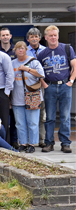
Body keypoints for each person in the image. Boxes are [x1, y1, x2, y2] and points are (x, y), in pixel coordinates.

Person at [38, 25, 76, 153]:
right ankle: (49, 143)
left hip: (65, 86)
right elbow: (38, 72)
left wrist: (71, 81)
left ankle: (65, 143)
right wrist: (44, 84)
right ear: (46, 37)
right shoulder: (42, 54)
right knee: (50, 117)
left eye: (55, 35)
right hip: (50, 87)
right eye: (50, 36)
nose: (53, 37)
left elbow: (74, 66)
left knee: (65, 116)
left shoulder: (67, 48)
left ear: (58, 36)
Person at [11, 42, 45, 153]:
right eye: (18, 48)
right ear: (15, 51)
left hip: (32, 96)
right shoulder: (12, 63)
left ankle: (32, 144)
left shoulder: (34, 61)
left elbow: (41, 74)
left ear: (26, 50)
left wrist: (27, 69)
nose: (20, 50)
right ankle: (23, 143)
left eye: (22, 48)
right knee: (20, 123)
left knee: (33, 122)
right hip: (17, 97)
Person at [26, 27, 47, 147]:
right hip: (29, 87)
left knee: (42, 112)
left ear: (39, 38)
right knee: (30, 113)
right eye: (31, 37)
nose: (34, 39)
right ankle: (31, 139)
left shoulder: (46, 50)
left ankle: (42, 139)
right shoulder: (25, 51)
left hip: (43, 87)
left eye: (36, 36)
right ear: (28, 39)